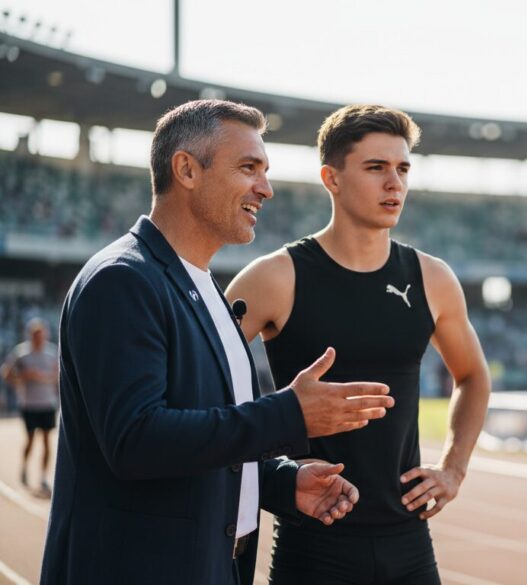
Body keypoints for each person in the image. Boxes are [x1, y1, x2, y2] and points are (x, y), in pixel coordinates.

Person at [40, 100, 396, 585]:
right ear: (186, 169)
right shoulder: (122, 281)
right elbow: (136, 441)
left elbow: (204, 437)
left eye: (265, 171)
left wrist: (278, 481)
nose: (266, 189)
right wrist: (288, 414)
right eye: (248, 168)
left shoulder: (205, 285)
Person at [226, 104, 491, 584]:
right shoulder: (275, 277)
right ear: (332, 177)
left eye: (403, 168)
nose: (395, 183)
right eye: (376, 168)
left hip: (409, 542)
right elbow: (200, 383)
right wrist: (276, 462)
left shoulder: (432, 278)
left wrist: (454, 469)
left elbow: (472, 377)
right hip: (314, 542)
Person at [1, 317, 59, 493]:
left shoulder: (52, 352)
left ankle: (43, 477)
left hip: (47, 402)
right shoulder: (21, 353)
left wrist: (43, 377)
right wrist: (23, 378)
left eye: (41, 334)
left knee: (47, 440)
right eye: (35, 335)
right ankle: (25, 466)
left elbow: (58, 375)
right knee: (31, 439)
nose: (38, 338)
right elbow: (7, 373)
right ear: (30, 335)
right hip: (29, 403)